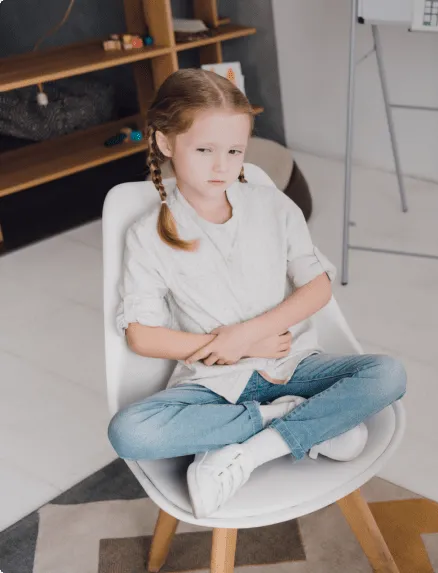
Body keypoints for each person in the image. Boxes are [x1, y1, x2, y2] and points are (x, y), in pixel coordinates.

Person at [106, 69, 407, 519]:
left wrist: (247, 336)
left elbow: (317, 286)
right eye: (204, 150)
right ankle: (290, 420)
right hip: (213, 385)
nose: (221, 166)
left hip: (294, 366)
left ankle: (248, 453)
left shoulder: (273, 205)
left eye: (234, 151)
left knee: (388, 375)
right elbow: (142, 336)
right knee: (129, 432)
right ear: (165, 143)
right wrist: (231, 349)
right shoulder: (147, 235)